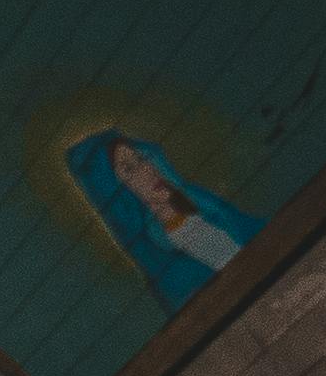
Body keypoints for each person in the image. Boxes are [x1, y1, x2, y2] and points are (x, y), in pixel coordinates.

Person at [67, 125, 258, 314]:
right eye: (129, 170)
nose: (146, 170)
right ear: (115, 193)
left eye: (141, 158)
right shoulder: (164, 266)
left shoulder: (206, 207)